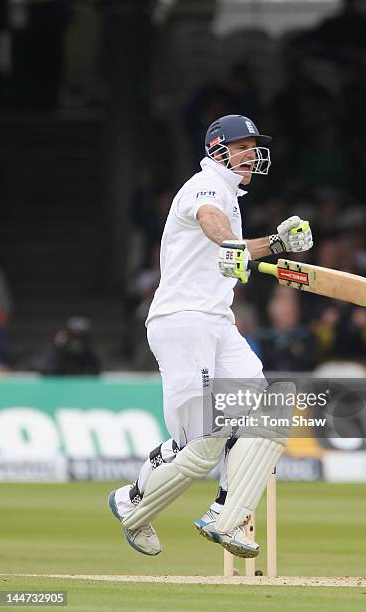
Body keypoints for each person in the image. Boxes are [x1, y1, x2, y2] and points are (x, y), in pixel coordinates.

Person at [108, 114, 313, 559]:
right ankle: (133, 502)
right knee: (200, 444)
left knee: (269, 411)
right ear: (218, 148)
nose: (250, 154)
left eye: (254, 146)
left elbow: (231, 241)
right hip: (183, 321)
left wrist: (276, 244)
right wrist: (233, 245)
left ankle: (226, 515)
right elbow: (210, 221)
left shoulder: (231, 196)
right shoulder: (206, 185)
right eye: (242, 146)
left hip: (217, 321)